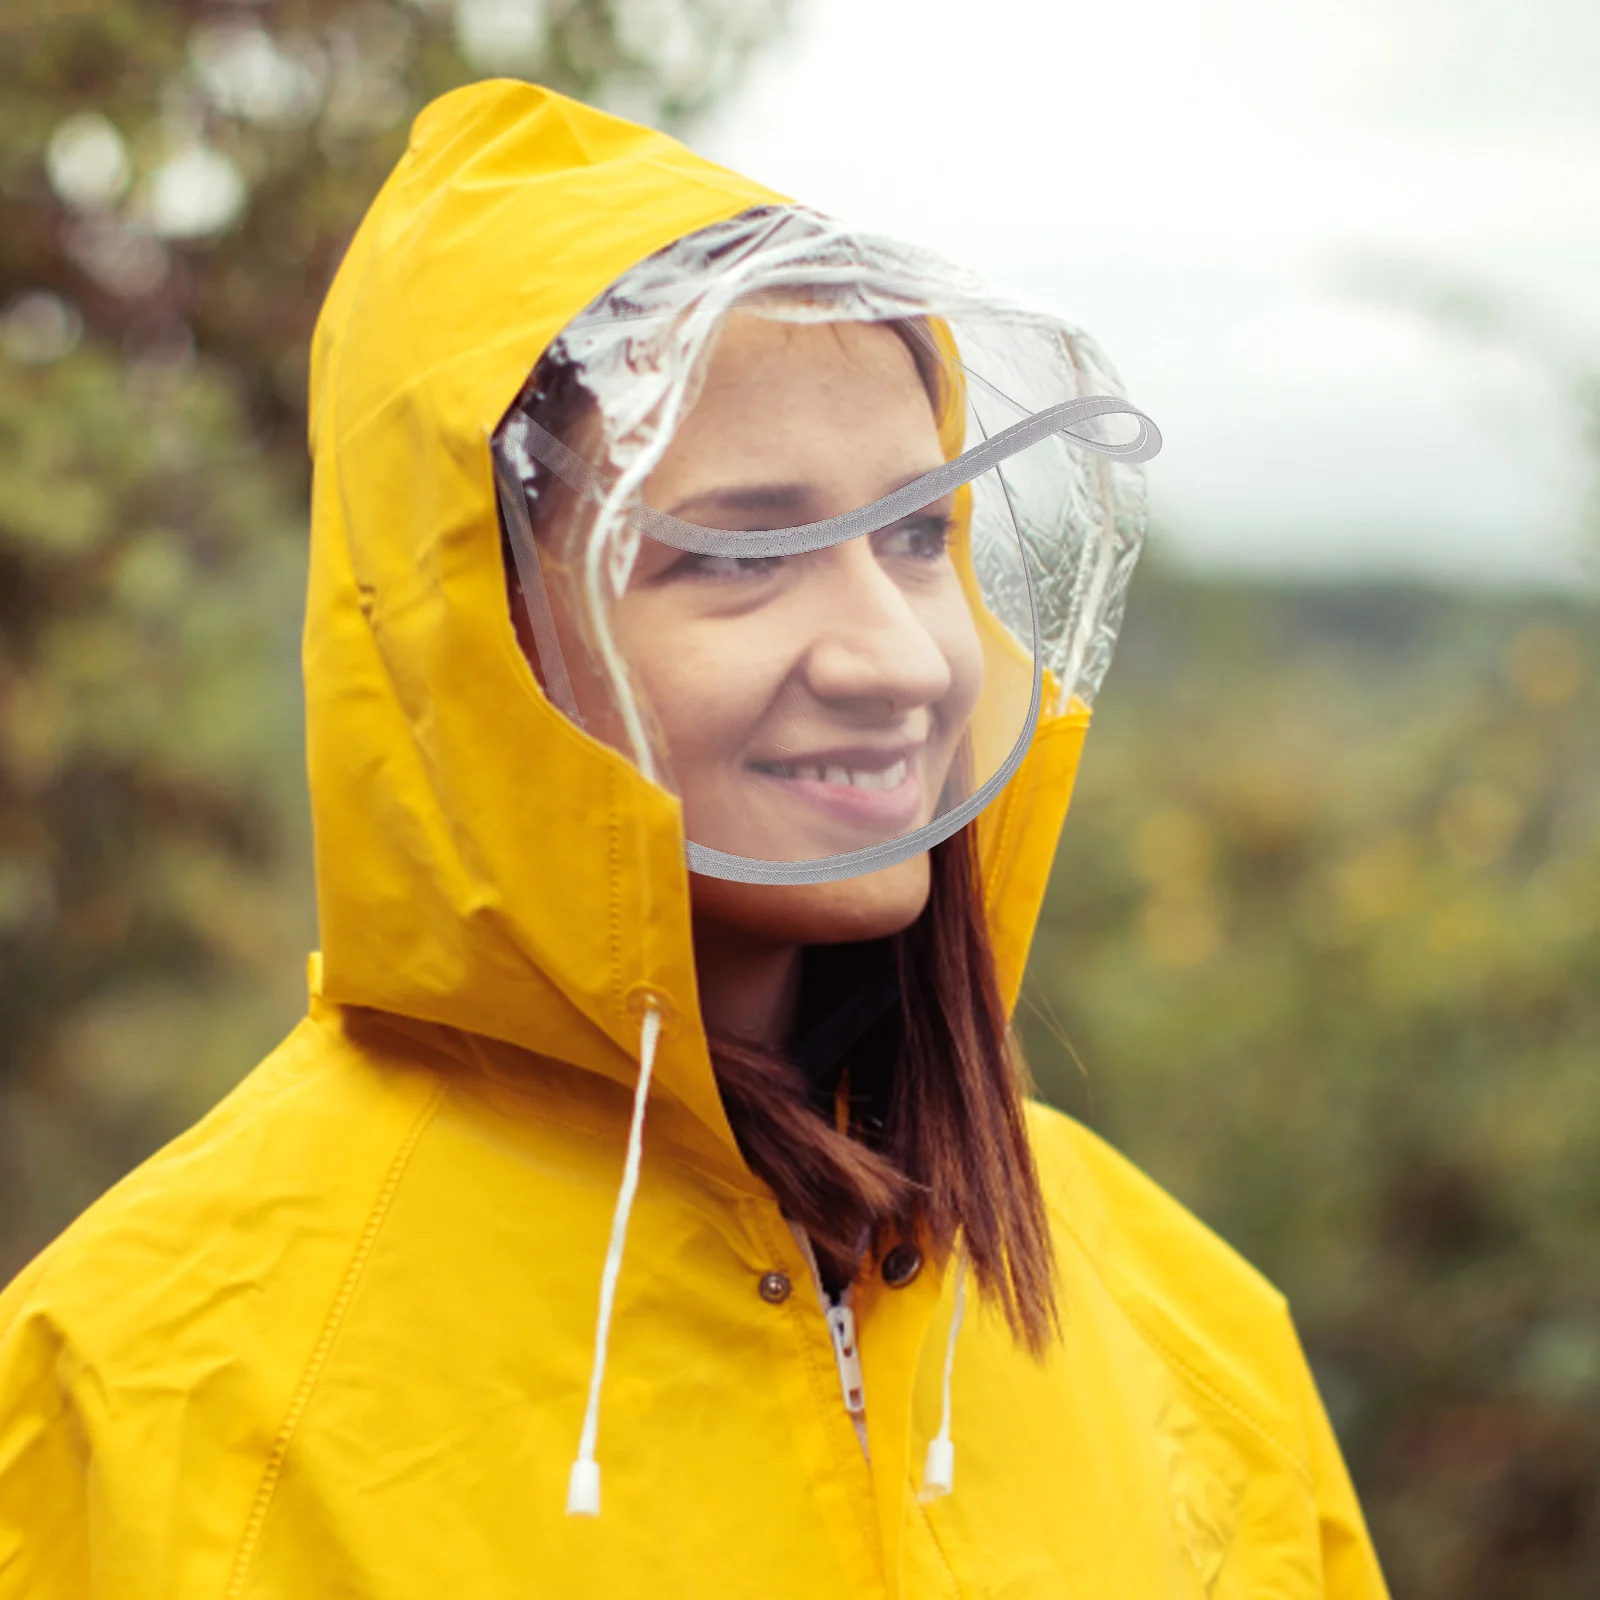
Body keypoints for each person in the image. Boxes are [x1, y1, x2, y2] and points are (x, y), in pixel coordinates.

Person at [0, 81, 1389, 1598]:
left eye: (919, 535)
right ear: (480, 638)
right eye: (741, 553)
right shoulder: (145, 1385)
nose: (905, 661)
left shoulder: (1179, 1317)